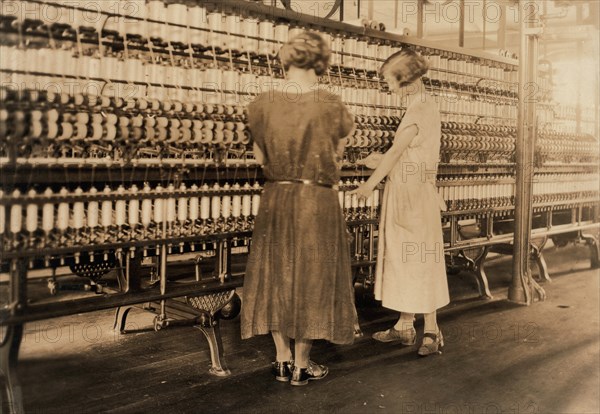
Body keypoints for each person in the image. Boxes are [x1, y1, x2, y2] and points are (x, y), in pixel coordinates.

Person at [241, 31, 357, 386]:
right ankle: (302, 366)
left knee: (275, 272)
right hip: (316, 199)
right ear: (323, 61)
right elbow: (337, 154)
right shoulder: (332, 105)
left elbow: (259, 156)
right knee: (312, 276)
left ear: (285, 58)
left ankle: (281, 358)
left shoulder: (261, 104)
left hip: (276, 197)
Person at [350, 49, 450, 356]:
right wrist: (378, 160)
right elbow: (408, 155)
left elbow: (396, 154)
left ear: (404, 78)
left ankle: (431, 332)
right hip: (412, 192)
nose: (387, 86)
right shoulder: (425, 105)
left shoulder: (418, 110)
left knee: (418, 260)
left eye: (389, 80)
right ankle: (405, 327)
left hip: (412, 198)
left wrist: (369, 184)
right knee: (408, 260)